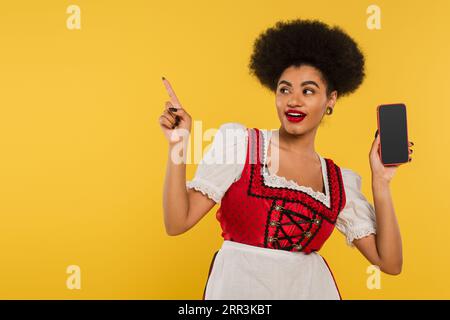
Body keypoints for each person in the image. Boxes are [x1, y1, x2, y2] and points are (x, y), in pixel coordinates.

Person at [159, 19, 413, 300]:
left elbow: (389, 263)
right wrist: (178, 143)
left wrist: (381, 181)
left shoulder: (338, 181)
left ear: (331, 100)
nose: (293, 100)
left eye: (308, 91)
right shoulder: (243, 145)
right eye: (284, 89)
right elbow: (176, 222)